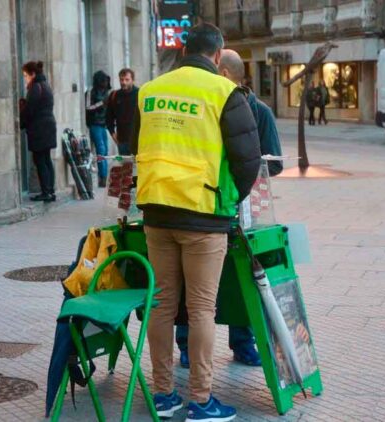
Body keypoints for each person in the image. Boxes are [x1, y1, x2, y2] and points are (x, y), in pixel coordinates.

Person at [131, 23, 260, 421]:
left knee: (162, 304)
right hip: (203, 216)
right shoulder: (224, 92)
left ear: (185, 49)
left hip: (155, 212)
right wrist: (230, 198)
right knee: (202, 308)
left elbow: (137, 143)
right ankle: (202, 401)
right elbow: (248, 159)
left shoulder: (150, 91)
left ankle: (164, 394)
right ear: (218, 55)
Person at [173, 49, 283, 371]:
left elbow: (273, 162)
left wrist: (244, 174)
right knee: (190, 280)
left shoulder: (259, 112)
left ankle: (243, 342)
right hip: (201, 208)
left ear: (222, 72)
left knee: (243, 276)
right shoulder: (203, 105)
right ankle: (187, 346)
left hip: (244, 210)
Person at [20, 61, 57, 202]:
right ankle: (50, 191)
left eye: (25, 75)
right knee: (46, 159)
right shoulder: (45, 85)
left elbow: (30, 110)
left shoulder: (36, 87)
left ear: (33, 74)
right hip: (47, 126)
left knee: (40, 160)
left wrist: (21, 123)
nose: (25, 78)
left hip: (40, 128)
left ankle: (46, 192)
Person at [86, 71, 111, 187]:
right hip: (94, 124)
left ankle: (104, 176)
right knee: (101, 151)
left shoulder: (107, 92)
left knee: (105, 151)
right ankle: (103, 177)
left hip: (103, 124)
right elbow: (88, 108)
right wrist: (101, 103)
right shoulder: (91, 92)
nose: (105, 83)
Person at [106, 68, 139, 156]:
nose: (124, 82)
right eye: (121, 79)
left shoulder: (140, 94)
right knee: (125, 168)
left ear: (132, 80)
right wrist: (113, 135)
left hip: (139, 141)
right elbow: (109, 118)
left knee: (140, 168)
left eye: (127, 80)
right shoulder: (114, 95)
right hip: (122, 141)